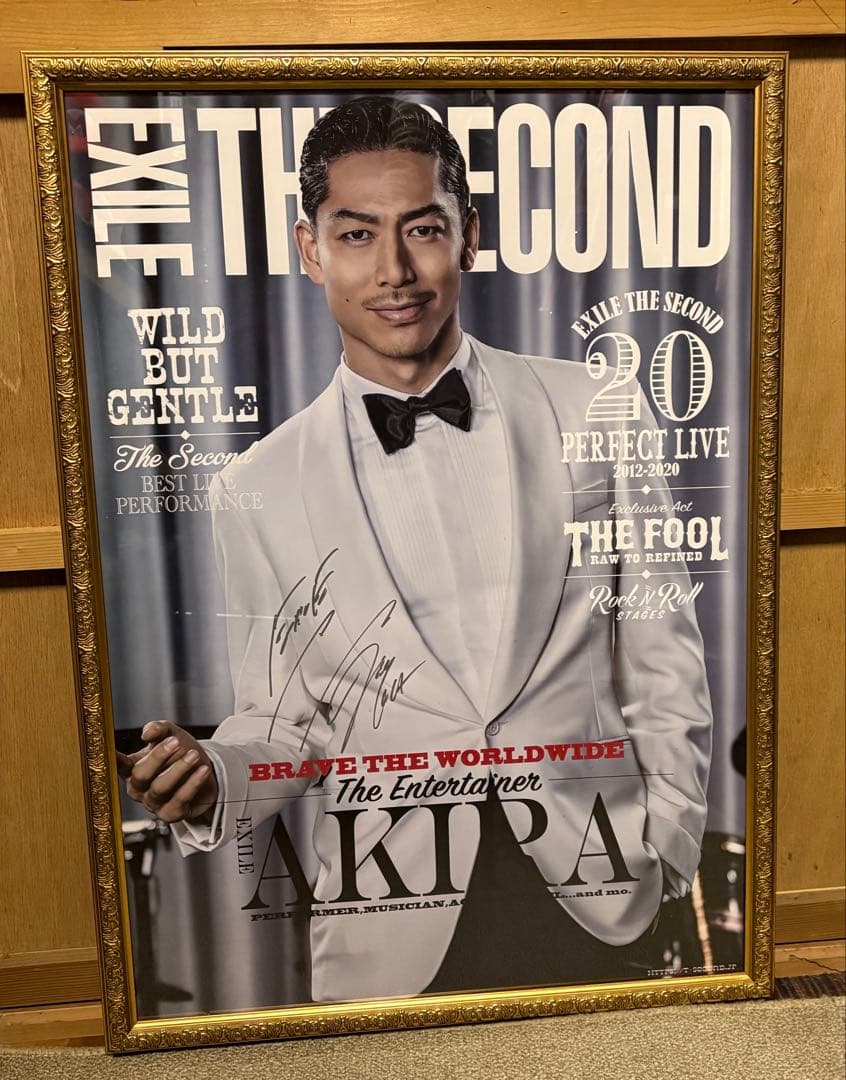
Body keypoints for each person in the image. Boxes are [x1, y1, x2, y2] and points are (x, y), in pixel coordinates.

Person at [119, 97, 712, 1003]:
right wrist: (214, 779)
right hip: (391, 920)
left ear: (468, 234)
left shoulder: (599, 408)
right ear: (311, 249)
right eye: (357, 235)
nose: (394, 271)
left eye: (423, 229)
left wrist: (669, 843)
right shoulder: (256, 484)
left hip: (599, 887)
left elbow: (662, 653)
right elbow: (284, 720)